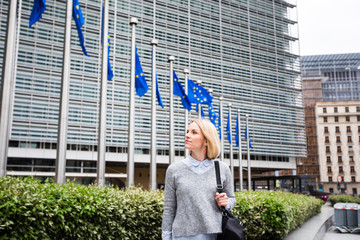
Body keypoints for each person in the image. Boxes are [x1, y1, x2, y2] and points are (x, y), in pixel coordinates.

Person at [162, 119, 236, 240]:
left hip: (214, 235)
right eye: (187, 131)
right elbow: (169, 209)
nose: (187, 135)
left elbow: (231, 199)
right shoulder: (174, 169)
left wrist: (226, 202)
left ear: (206, 140)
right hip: (181, 236)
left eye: (194, 132)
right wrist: (166, 236)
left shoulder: (222, 168)